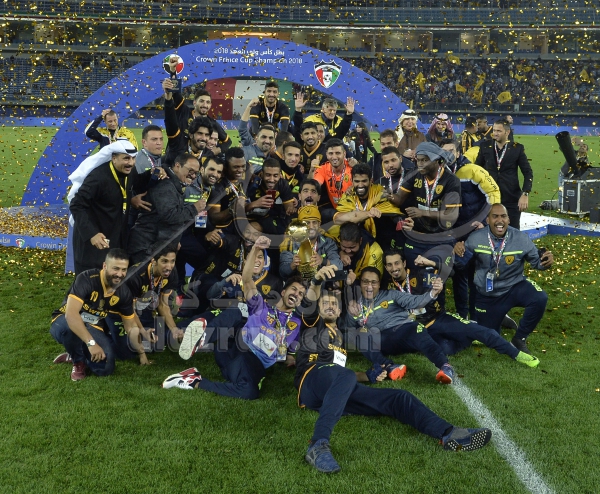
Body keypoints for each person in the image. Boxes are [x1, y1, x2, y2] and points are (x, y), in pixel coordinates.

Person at [297, 265, 492, 473]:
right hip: (310, 381)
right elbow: (308, 306)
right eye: (324, 303)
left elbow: (340, 378)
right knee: (344, 374)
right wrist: (316, 281)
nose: (329, 306)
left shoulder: (340, 338)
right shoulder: (313, 325)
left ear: (339, 311)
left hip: (333, 392)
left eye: (333, 304)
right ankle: (317, 445)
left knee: (399, 398)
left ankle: (449, 433)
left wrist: (367, 376)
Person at [162, 236, 306, 400]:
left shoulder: (296, 324)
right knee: (239, 310)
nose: (296, 294)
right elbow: (247, 279)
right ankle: (202, 337)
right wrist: (256, 248)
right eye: (294, 289)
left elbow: (288, 353)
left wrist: (289, 359)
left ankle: (193, 380)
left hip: (247, 364)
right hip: (238, 346)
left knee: (249, 391)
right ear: (283, 292)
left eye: (301, 294)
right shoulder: (262, 306)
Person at [382, 250, 540, 368]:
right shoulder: (386, 287)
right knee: (447, 348)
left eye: (397, 263)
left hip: (437, 319)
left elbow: (450, 272)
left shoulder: (421, 274)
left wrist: (433, 264)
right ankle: (467, 337)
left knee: (481, 331)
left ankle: (517, 354)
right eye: (389, 265)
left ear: (404, 263)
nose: (394, 268)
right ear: (385, 267)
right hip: (419, 330)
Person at [455, 204, 554, 354]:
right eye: (495, 216)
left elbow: (538, 263)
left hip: (513, 287)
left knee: (540, 298)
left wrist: (546, 262)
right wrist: (457, 250)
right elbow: (460, 265)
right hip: (487, 295)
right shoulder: (475, 238)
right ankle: (498, 316)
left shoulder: (521, 238)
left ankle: (519, 339)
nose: (499, 220)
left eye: (503, 216)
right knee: (490, 339)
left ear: (508, 219)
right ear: (488, 220)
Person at [50, 249, 152, 381]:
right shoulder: (86, 278)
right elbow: (71, 315)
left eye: (123, 270)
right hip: (64, 319)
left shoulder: (124, 292)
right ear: (105, 266)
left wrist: (142, 354)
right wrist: (91, 343)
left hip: (93, 325)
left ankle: (79, 352)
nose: (119, 274)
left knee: (105, 368)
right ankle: (78, 361)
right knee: (68, 329)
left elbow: (131, 326)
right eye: (115, 269)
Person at [346, 267, 455, 384]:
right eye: (365, 282)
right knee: (360, 335)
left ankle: (445, 366)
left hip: (403, 331)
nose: (369, 286)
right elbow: (349, 332)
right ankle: (389, 367)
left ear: (379, 284)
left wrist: (433, 293)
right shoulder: (355, 306)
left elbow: (415, 301)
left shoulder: (391, 295)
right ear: (360, 283)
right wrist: (351, 314)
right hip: (382, 340)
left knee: (417, 328)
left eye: (374, 282)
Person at [69, 140, 140, 274]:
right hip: (93, 244)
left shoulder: (129, 171)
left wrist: (155, 174)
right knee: (90, 282)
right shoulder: (97, 178)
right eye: (126, 158)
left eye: (133, 158)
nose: (130, 163)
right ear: (114, 158)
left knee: (113, 280)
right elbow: (76, 205)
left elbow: (139, 183)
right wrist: (92, 234)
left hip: (115, 238)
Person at [127, 153, 206, 264]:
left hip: (154, 245)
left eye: (196, 173)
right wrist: (194, 208)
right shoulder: (165, 184)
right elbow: (169, 215)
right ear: (177, 166)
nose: (193, 176)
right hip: (147, 247)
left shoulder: (174, 183)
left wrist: (174, 241)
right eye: (191, 171)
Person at [475, 119, 532, 229]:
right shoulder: (485, 146)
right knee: (489, 230)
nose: (495, 133)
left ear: (507, 132)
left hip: (511, 198)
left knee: (512, 231)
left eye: (499, 131)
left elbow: (528, 172)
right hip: (489, 198)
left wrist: (525, 193)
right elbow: (477, 170)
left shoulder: (517, 148)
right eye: (494, 130)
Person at [279, 205, 343, 279]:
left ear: (319, 224)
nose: (311, 226)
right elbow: (282, 272)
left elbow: (339, 266)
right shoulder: (290, 243)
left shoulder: (328, 242)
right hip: (298, 283)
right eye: (307, 223)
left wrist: (323, 261)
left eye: (314, 222)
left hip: (321, 283)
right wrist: (293, 264)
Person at [166, 84, 231, 154]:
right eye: (201, 101)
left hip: (196, 159)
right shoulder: (184, 111)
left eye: (208, 102)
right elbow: (176, 92)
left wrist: (216, 151)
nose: (205, 105)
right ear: (194, 103)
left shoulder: (212, 123)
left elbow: (228, 141)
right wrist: (171, 80)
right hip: (175, 156)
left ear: (210, 105)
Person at [245, 158, 295, 234]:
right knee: (252, 230)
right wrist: (255, 204)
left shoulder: (283, 184)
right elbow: (237, 210)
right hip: (246, 218)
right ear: (262, 173)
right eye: (268, 175)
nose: (271, 180)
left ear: (280, 175)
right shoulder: (251, 181)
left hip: (266, 217)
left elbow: (289, 207)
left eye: (275, 176)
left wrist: (290, 210)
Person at [309, 138, 354, 223]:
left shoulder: (352, 167)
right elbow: (313, 186)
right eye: (331, 153)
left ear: (344, 153)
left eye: (338, 153)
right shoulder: (323, 168)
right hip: (336, 213)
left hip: (354, 211)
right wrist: (312, 171)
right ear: (326, 154)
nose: (334, 157)